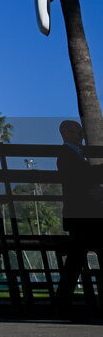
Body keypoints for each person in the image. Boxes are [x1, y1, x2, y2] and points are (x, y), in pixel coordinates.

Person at [54, 119, 103, 318]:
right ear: (65, 134)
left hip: (80, 217)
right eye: (75, 132)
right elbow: (84, 177)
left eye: (79, 132)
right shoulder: (68, 155)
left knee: (75, 260)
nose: (80, 136)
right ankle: (62, 302)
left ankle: (62, 302)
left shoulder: (70, 155)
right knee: (75, 259)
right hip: (85, 217)